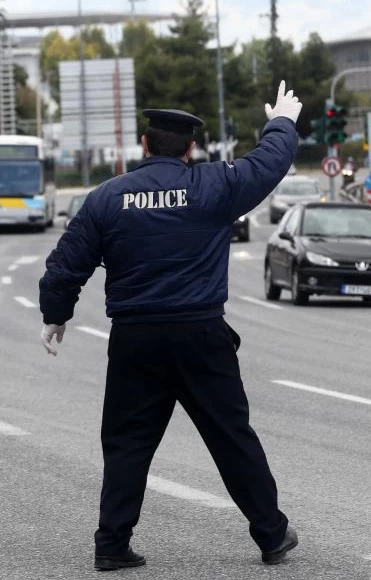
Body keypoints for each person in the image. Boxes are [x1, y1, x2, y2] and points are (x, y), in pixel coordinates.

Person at [38, 80, 303, 572]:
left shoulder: (106, 198)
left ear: (143, 146)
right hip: (200, 335)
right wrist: (281, 121)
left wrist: (56, 313)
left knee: (126, 443)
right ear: (191, 148)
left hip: (135, 340)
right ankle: (270, 535)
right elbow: (268, 163)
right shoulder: (214, 186)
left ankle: (112, 544)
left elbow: (66, 264)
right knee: (231, 438)